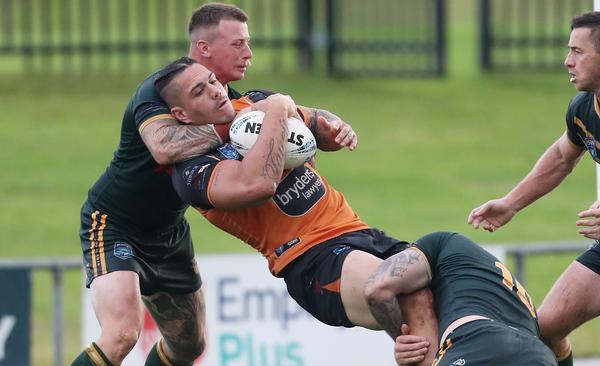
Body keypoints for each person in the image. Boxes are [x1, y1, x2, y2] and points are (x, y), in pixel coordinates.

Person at [73, 3, 360, 365]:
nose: (249, 54)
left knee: (188, 347)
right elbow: (163, 148)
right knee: (122, 334)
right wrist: (246, 119)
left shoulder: (234, 100)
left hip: (168, 232)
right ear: (204, 49)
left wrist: (334, 128)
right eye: (238, 44)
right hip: (114, 225)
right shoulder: (160, 90)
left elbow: (311, 119)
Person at [156, 57, 437, 360]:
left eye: (212, 81)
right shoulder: (192, 170)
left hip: (358, 231)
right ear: (180, 114)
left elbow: (316, 124)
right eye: (199, 91)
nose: (215, 90)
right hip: (310, 259)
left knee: (442, 290)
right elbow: (259, 183)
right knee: (408, 293)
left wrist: (337, 129)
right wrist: (278, 108)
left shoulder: (252, 104)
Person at [467, 10, 600, 366]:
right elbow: (561, 158)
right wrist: (510, 204)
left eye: (577, 52)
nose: (568, 62)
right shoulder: (583, 108)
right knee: (544, 328)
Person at [363, 231, 557, 365]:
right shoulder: (478, 273)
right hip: (537, 353)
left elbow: (376, 290)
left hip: (478, 342)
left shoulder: (438, 245)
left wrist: (402, 340)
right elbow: (561, 344)